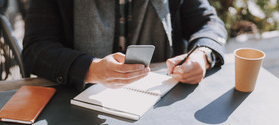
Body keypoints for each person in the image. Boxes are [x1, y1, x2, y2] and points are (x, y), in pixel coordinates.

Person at [22, 0, 227, 91]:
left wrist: (202, 55)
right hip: (74, 108)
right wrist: (91, 69)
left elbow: (208, 23)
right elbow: (35, 48)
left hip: (158, 102)